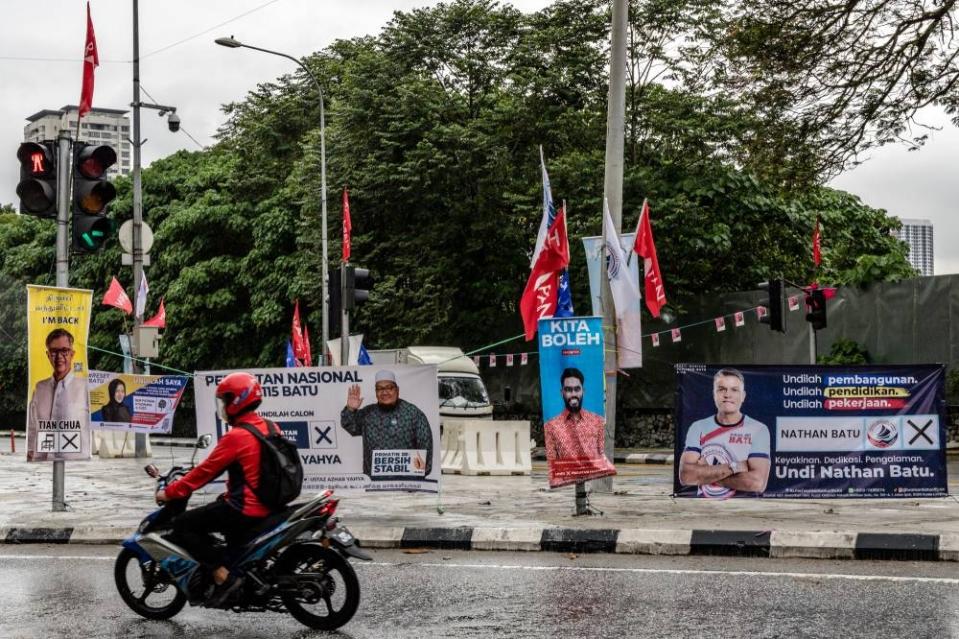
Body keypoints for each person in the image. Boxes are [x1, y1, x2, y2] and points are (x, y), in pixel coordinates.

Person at [156, 372, 277, 607]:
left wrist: (169, 492)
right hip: (269, 504)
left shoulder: (238, 437)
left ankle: (222, 574)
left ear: (237, 401)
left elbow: (203, 473)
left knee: (182, 524)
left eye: (225, 400)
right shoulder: (270, 426)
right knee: (213, 515)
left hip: (245, 509)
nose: (223, 407)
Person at [678, 368, 771, 499]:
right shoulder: (698, 427)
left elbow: (757, 483)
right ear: (714, 394)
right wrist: (735, 466)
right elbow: (686, 476)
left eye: (734, 390)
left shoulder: (758, 429)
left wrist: (706, 475)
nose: (728, 395)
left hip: (745, 510)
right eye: (721, 389)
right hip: (703, 508)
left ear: (743, 396)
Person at [341, 370, 433, 482]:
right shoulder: (367, 414)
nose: (384, 392)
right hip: (374, 484)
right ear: (376, 392)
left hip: (407, 485)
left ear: (397, 390)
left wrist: (417, 476)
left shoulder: (413, 413)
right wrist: (351, 409)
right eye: (380, 389)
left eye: (389, 387)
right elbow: (351, 426)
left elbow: (426, 448)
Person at [542, 367, 614, 487]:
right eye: (569, 390)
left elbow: (602, 455)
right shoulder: (551, 426)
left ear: (583, 391)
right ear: (562, 393)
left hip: (592, 484)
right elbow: (552, 465)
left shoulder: (597, 422)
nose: (573, 394)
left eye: (577, 389)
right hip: (565, 490)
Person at [27, 328, 90, 461]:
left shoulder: (85, 388)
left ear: (72, 354)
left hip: (76, 467)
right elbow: (33, 426)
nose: (59, 356)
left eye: (64, 351)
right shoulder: (39, 388)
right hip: (43, 467)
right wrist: (31, 452)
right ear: (48, 355)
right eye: (54, 351)